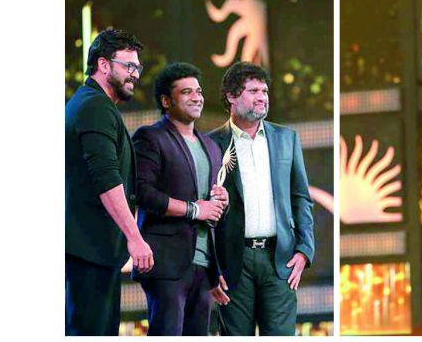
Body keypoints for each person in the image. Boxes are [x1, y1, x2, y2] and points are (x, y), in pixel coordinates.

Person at [208, 62, 315, 336]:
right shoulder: (211, 143)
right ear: (231, 96)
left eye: (264, 91)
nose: (262, 97)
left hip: (280, 260)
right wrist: (211, 269)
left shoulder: (286, 138)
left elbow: (301, 197)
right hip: (233, 263)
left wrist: (304, 250)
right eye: (253, 90)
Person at [65, 29, 154, 335]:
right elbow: (106, 177)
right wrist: (134, 236)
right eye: (128, 66)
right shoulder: (94, 106)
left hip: (92, 251)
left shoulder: (93, 104)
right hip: (89, 251)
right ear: (103, 65)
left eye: (138, 68)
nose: (135, 75)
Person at [132, 62, 230, 335]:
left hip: (204, 264)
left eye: (198, 91)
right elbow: (142, 193)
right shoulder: (150, 137)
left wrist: (221, 199)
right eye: (186, 92)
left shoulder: (211, 146)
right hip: (166, 263)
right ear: (166, 100)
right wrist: (193, 209)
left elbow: (210, 206)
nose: (196, 97)